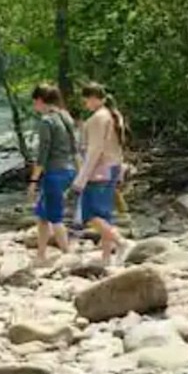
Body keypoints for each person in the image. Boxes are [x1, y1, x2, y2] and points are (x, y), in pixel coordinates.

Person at [72, 83, 128, 263]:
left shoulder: (97, 118)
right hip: (112, 167)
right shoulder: (113, 115)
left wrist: (81, 178)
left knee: (90, 214)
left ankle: (120, 242)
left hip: (99, 170)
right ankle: (106, 257)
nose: (84, 103)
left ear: (92, 98)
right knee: (105, 215)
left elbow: (94, 150)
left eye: (85, 99)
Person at [27, 83, 78, 263]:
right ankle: (40, 254)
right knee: (43, 215)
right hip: (69, 170)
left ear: (40, 101)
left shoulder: (47, 121)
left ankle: (67, 256)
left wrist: (33, 181)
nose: (35, 107)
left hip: (54, 174)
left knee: (55, 217)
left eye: (35, 103)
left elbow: (43, 154)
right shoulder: (66, 117)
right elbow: (74, 147)